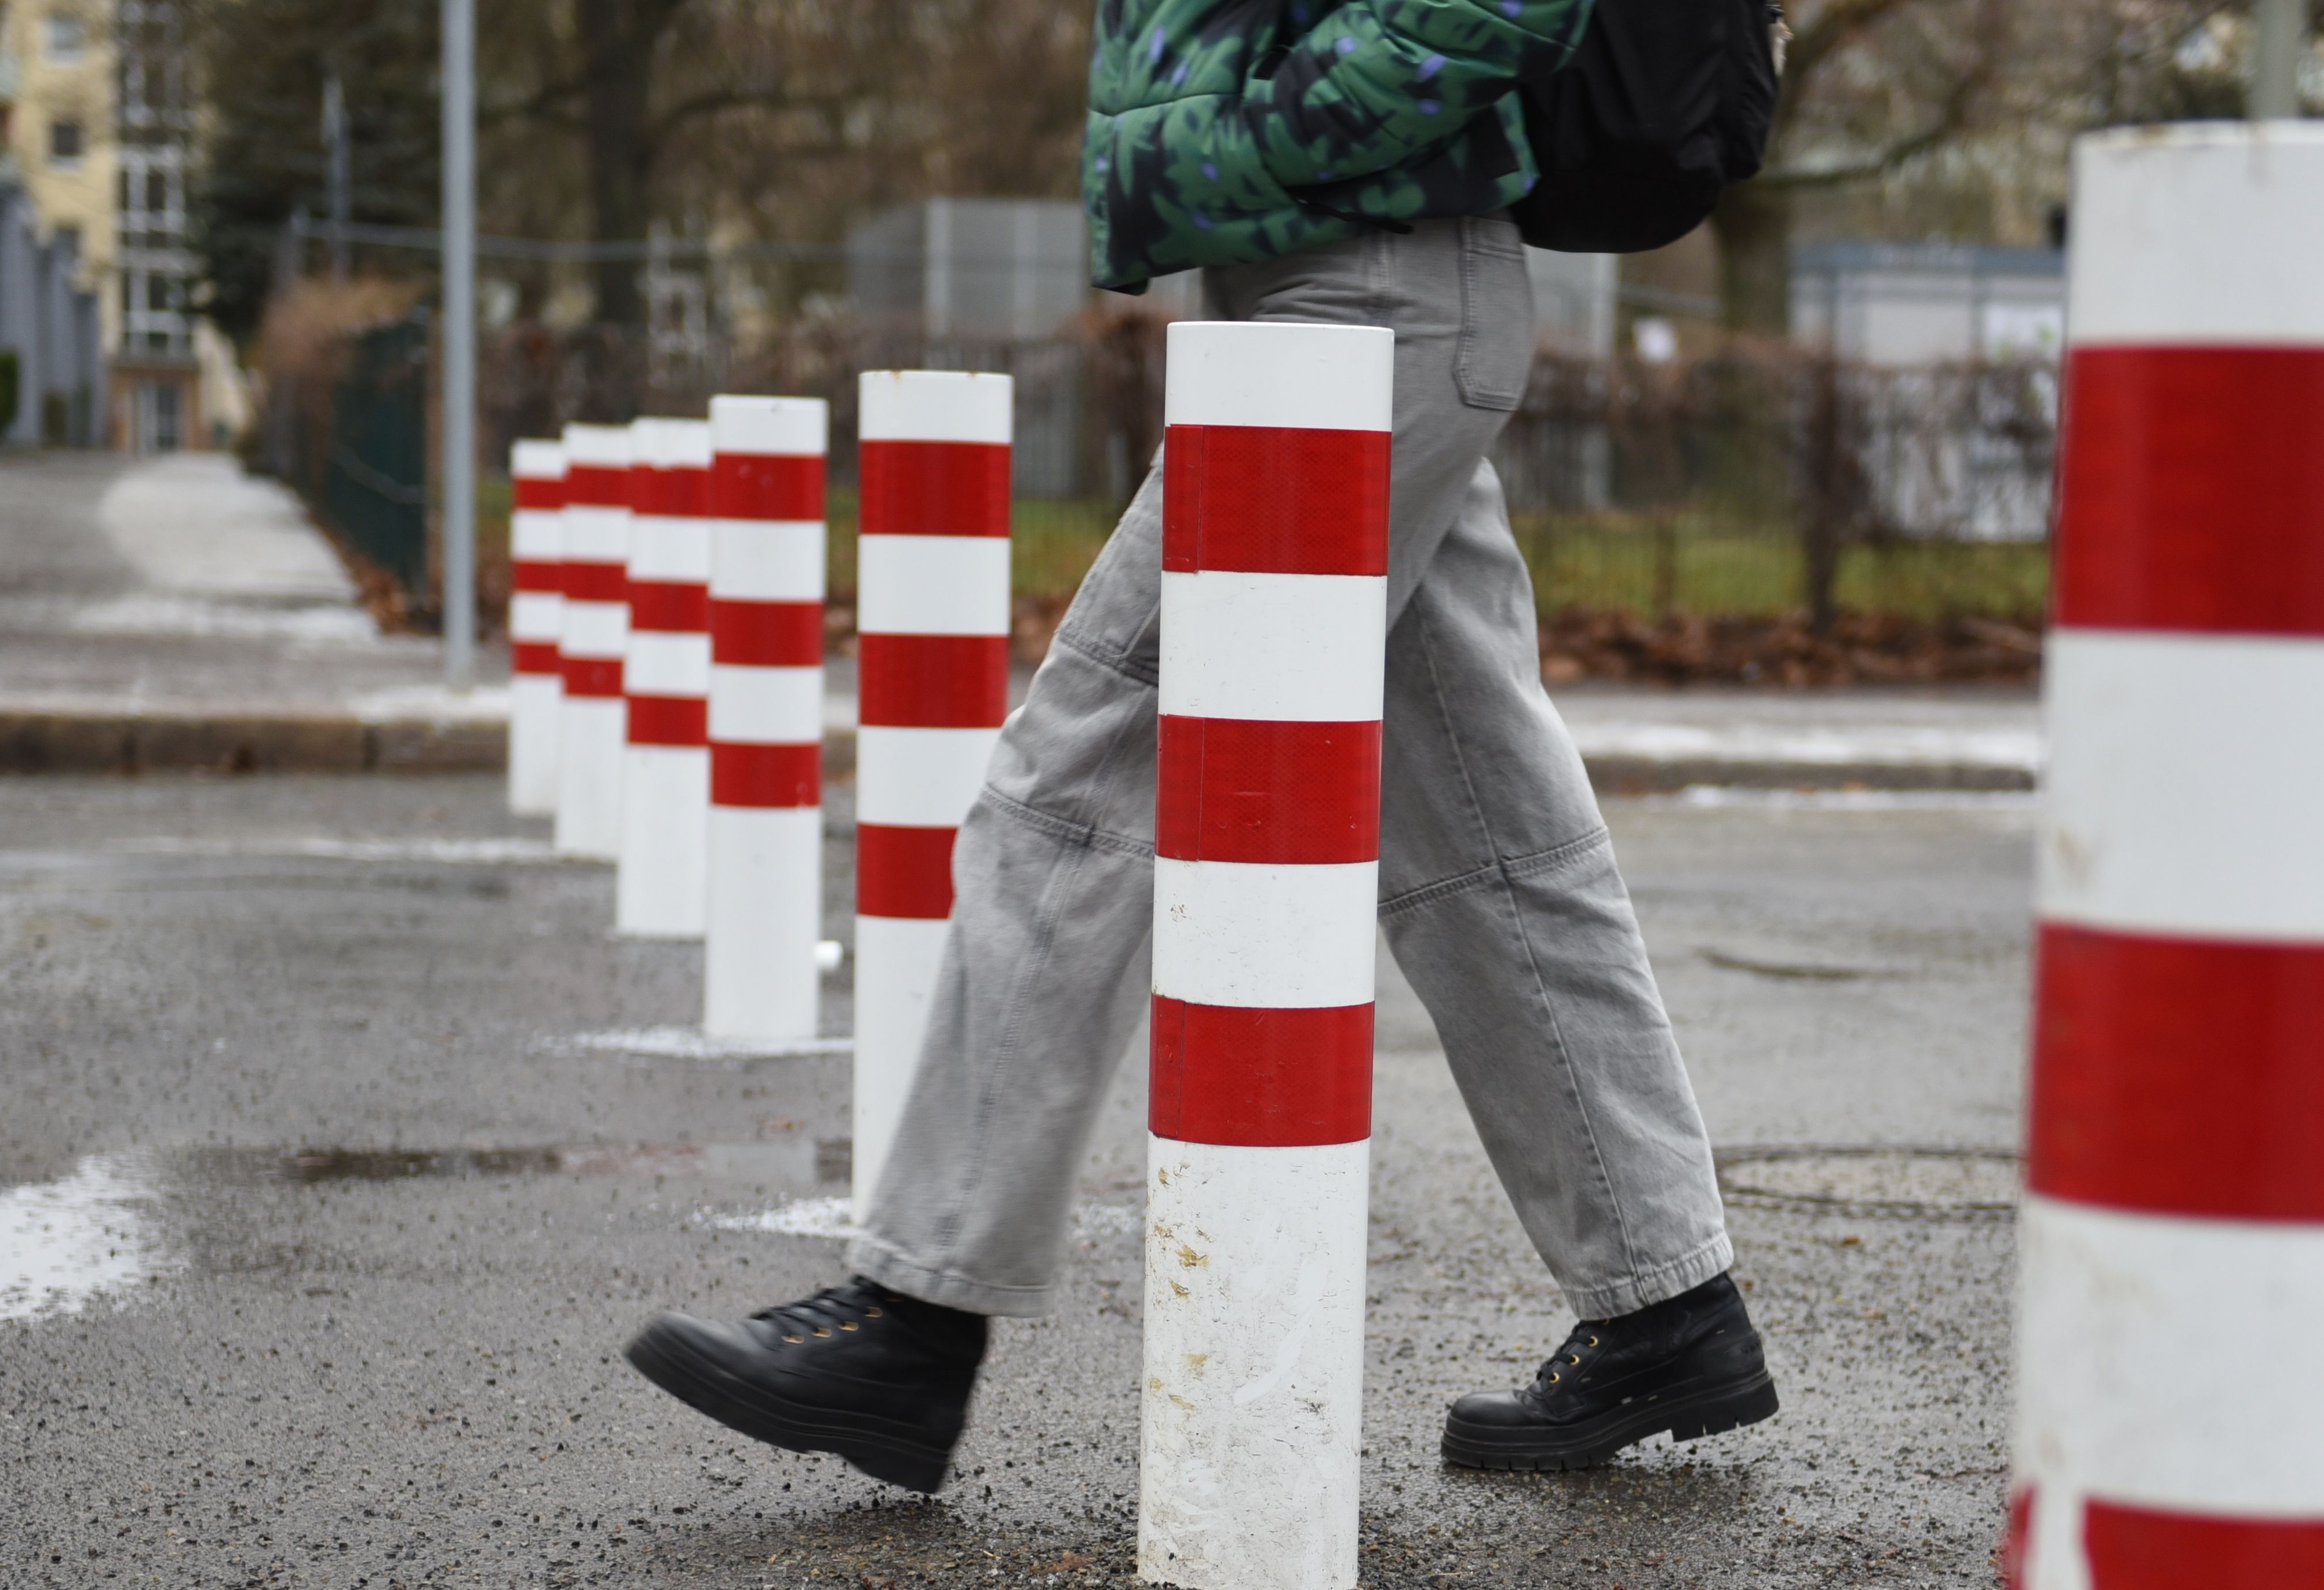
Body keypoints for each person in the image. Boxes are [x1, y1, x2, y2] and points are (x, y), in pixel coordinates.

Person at [628, 0, 1776, 1495]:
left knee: (1080, 777)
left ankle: (914, 1321)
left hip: (1369, 295)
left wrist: (1268, 132)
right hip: (1337, 282)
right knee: (1484, 832)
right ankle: (1667, 1304)